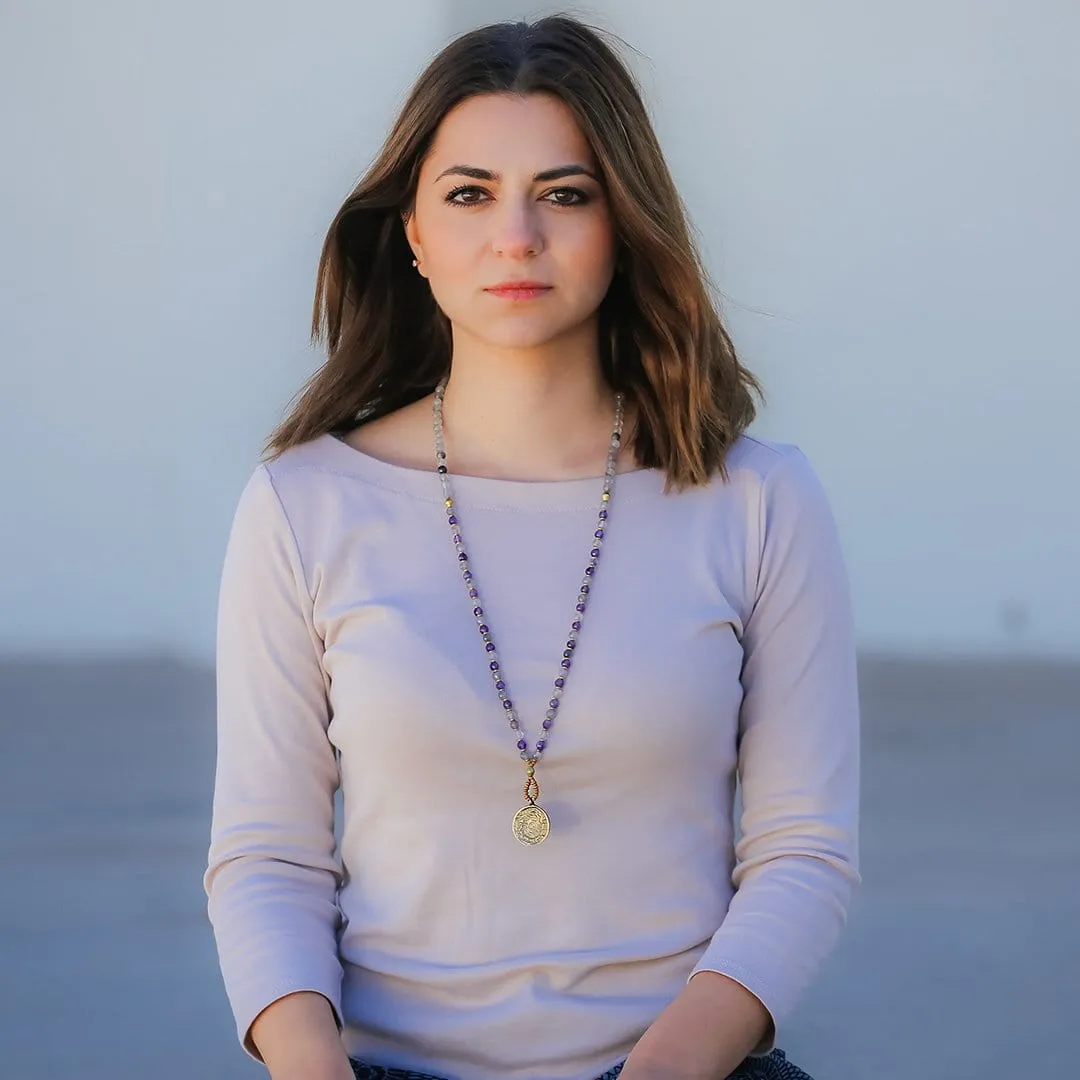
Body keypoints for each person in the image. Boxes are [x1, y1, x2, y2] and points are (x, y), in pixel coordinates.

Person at [204, 15, 860, 1080]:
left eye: (565, 192)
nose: (516, 235)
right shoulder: (303, 505)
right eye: (469, 193)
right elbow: (267, 858)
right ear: (412, 232)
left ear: (624, 223)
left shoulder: (758, 500)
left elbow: (803, 853)